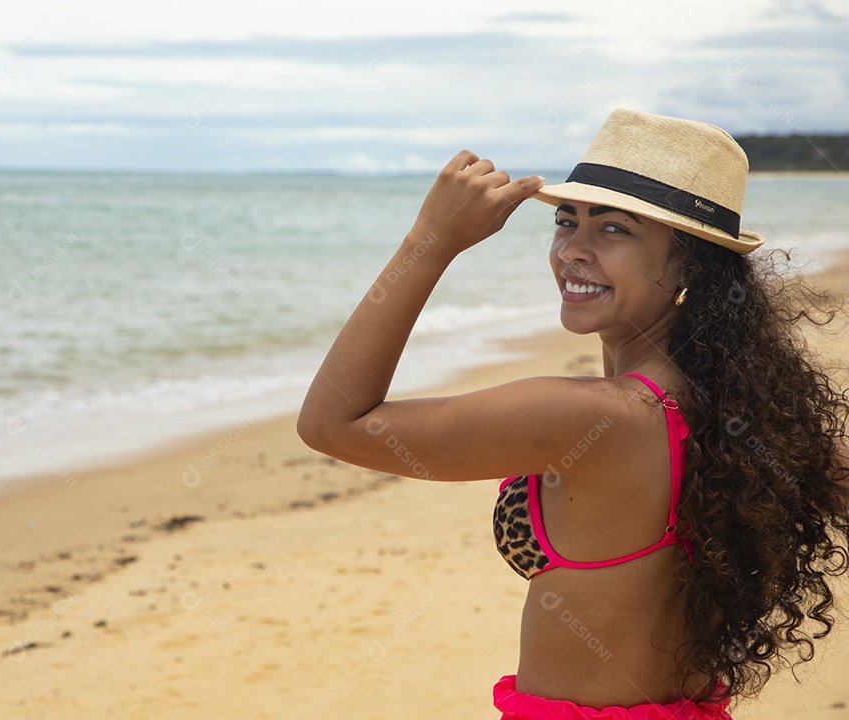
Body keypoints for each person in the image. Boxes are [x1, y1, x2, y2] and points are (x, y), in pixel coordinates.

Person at [297, 108, 849, 719]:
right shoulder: (745, 409)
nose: (573, 251)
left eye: (614, 230)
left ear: (690, 264)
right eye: (566, 222)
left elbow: (332, 424)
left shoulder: (593, 417)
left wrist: (429, 243)